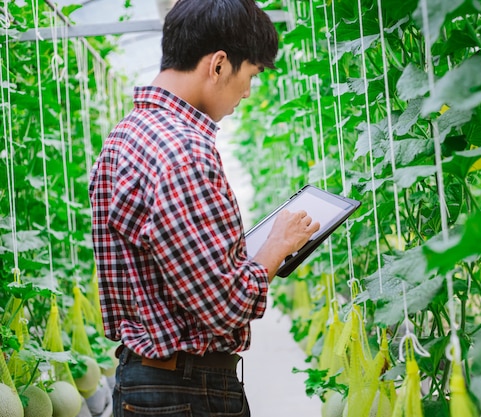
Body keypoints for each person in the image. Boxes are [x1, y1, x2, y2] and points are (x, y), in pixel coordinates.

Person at [88, 0, 320, 415]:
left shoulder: (122, 137)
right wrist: (276, 247)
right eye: (249, 75)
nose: (247, 92)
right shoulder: (184, 150)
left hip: (149, 381)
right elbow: (223, 306)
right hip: (188, 391)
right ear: (218, 65)